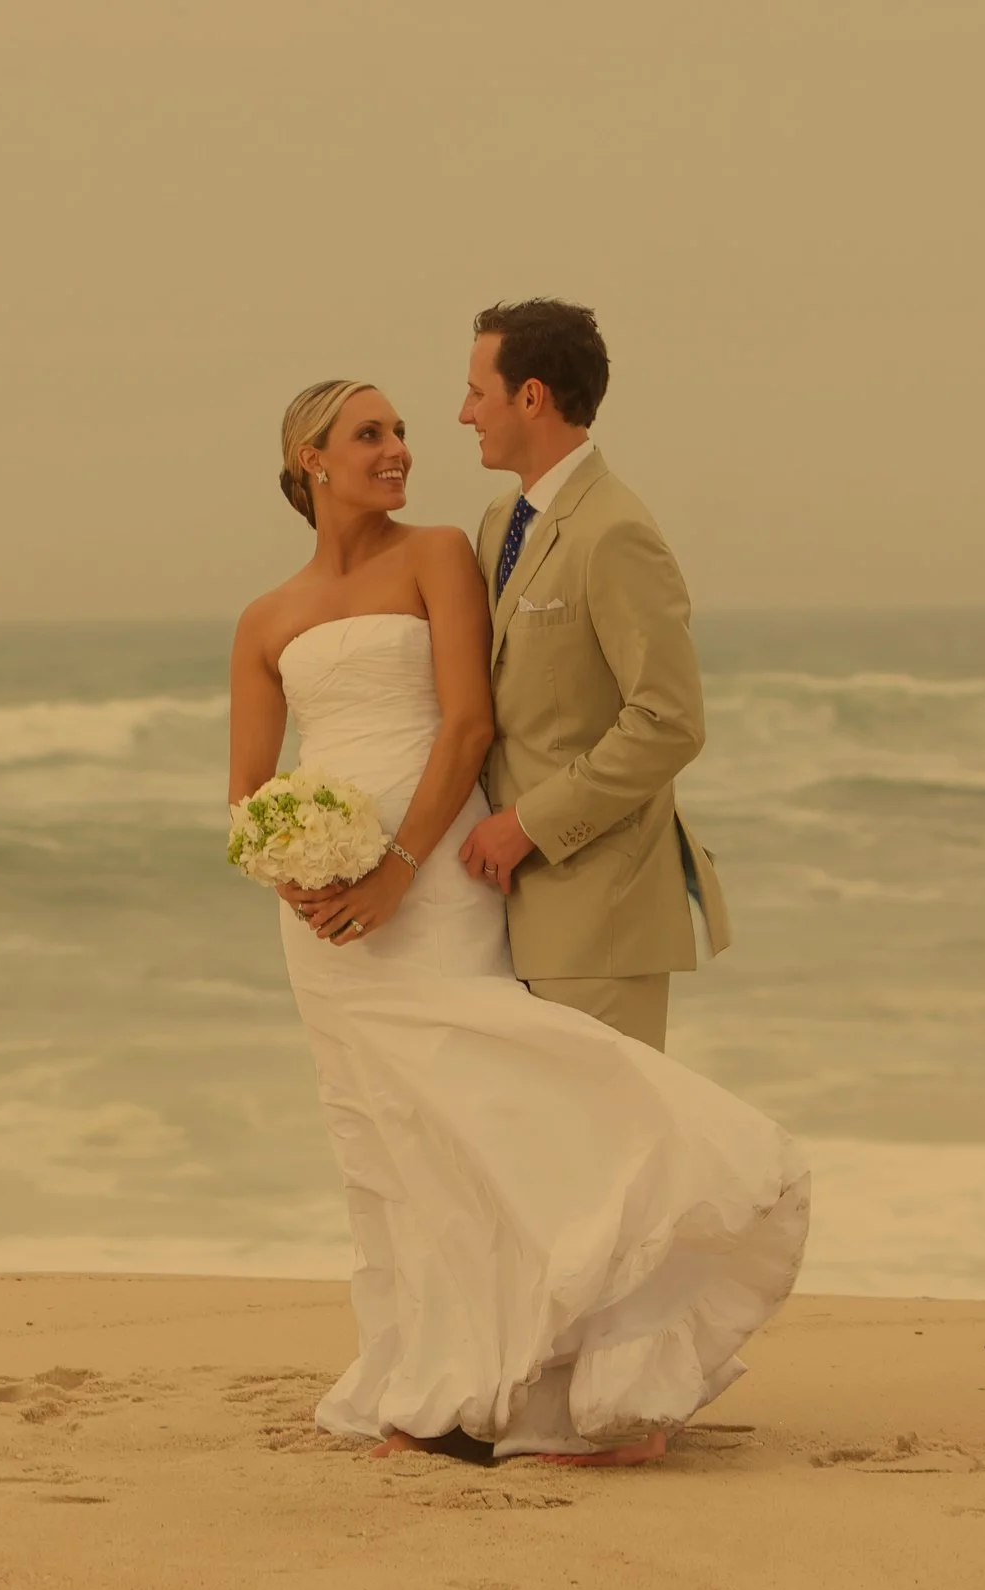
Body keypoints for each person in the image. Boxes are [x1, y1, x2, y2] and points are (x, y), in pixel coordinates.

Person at [229, 365, 808, 1467]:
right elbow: (246, 788)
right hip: (324, 924)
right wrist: (286, 870)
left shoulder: (440, 551)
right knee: (385, 1140)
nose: (399, 447)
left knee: (486, 1113)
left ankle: (543, 1370)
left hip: (434, 878)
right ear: (311, 460)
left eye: (401, 429)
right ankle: (422, 1377)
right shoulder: (265, 617)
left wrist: (398, 866)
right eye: (369, 434)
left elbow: (465, 725)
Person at [451, 298, 729, 1050]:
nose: (463, 413)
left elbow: (668, 722)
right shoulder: (497, 523)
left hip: (600, 918)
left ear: (531, 396)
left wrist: (528, 825)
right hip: (504, 911)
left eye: (478, 392)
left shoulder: (616, 531)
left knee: (600, 1156)